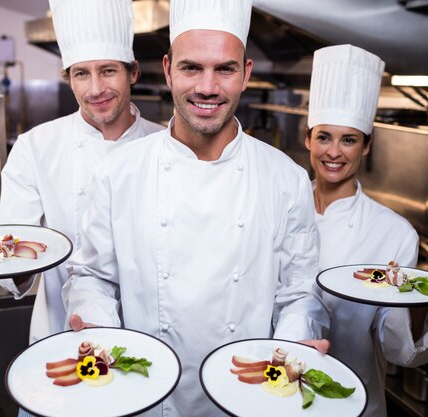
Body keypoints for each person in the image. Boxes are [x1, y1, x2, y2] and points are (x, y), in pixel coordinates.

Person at [62, 0, 330, 415]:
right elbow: (92, 276)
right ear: (168, 70)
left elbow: (298, 292)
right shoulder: (120, 171)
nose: (208, 87)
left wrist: (293, 346)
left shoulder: (285, 177)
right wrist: (99, 331)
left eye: (225, 68)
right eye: (192, 68)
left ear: (246, 75)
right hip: (147, 395)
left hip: (248, 394)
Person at [0, 0, 163, 345]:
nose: (95, 89)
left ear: (133, 72)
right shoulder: (35, 147)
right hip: (62, 331)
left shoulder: (166, 144)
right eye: (81, 73)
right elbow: (9, 255)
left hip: (154, 337)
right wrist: (15, 259)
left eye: (108, 71)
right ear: (68, 79)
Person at [305, 44, 428, 417]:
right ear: (307, 139)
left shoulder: (394, 232)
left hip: (353, 401)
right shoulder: (279, 209)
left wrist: (424, 301)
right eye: (324, 136)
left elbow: (400, 351)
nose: (334, 152)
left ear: (367, 146)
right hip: (271, 395)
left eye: (350, 139)